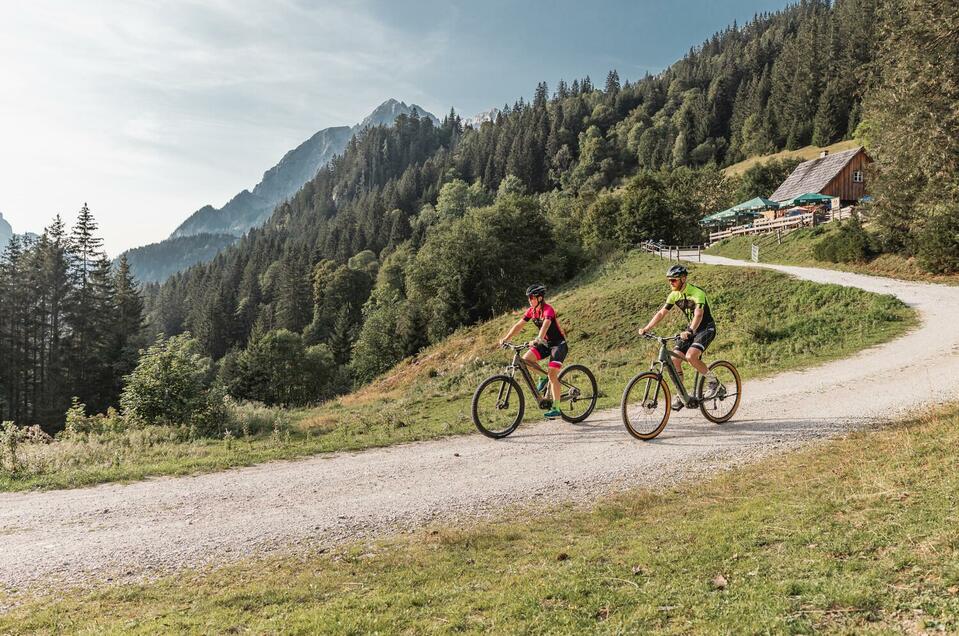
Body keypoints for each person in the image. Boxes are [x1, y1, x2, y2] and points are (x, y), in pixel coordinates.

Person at [638, 264, 720, 410]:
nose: (671, 283)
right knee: (675, 358)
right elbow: (661, 313)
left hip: (706, 328)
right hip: (691, 329)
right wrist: (646, 328)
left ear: (683, 279)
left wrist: (689, 330)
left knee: (691, 357)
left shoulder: (697, 293)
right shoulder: (674, 295)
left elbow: (699, 314)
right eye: (669, 280)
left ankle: (714, 382)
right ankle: (682, 395)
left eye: (674, 280)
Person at [499, 284, 567, 419]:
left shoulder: (548, 310)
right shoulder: (532, 311)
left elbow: (546, 325)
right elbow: (519, 325)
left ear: (540, 298)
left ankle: (557, 408)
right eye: (529, 298)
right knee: (526, 359)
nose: (529, 300)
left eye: (532, 297)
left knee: (552, 375)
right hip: (545, 344)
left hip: (558, 345)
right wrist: (506, 339)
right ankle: (542, 377)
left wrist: (538, 338)